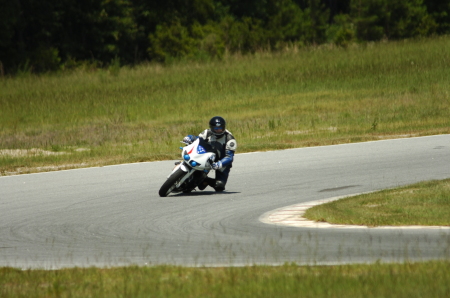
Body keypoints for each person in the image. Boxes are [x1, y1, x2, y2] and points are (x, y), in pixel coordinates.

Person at [183, 116, 237, 192]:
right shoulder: (207, 132)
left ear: (223, 127)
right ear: (211, 128)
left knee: (219, 186)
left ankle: (205, 180)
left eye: (220, 128)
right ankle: (180, 168)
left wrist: (219, 164)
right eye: (216, 129)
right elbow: (197, 140)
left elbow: (229, 157)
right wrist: (190, 137)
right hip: (206, 156)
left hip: (221, 160)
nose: (218, 131)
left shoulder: (230, 139)